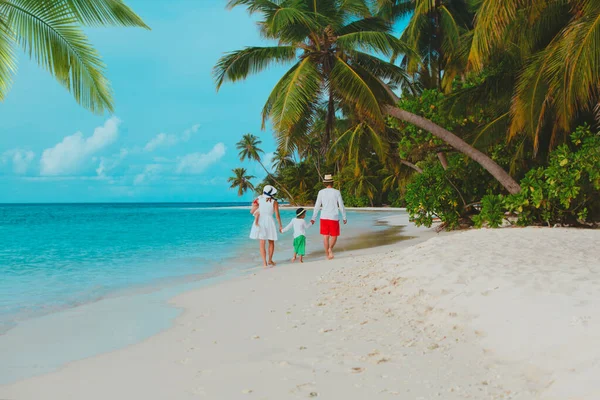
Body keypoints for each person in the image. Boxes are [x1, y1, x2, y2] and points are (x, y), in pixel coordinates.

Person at [310, 174, 347, 260]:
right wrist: (344, 217)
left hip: (323, 217)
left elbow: (317, 206)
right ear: (332, 182)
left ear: (324, 183)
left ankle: (327, 255)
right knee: (334, 235)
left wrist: (313, 218)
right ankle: (330, 249)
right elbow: (341, 205)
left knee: (325, 236)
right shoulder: (337, 192)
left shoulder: (321, 192)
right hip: (333, 217)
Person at [250, 185, 283, 267]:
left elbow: (251, 212)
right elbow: (277, 216)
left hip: (261, 220)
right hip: (270, 221)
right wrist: (280, 226)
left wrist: (256, 207)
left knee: (262, 243)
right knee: (271, 242)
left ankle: (264, 263)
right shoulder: (274, 202)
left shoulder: (258, 200)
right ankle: (270, 260)